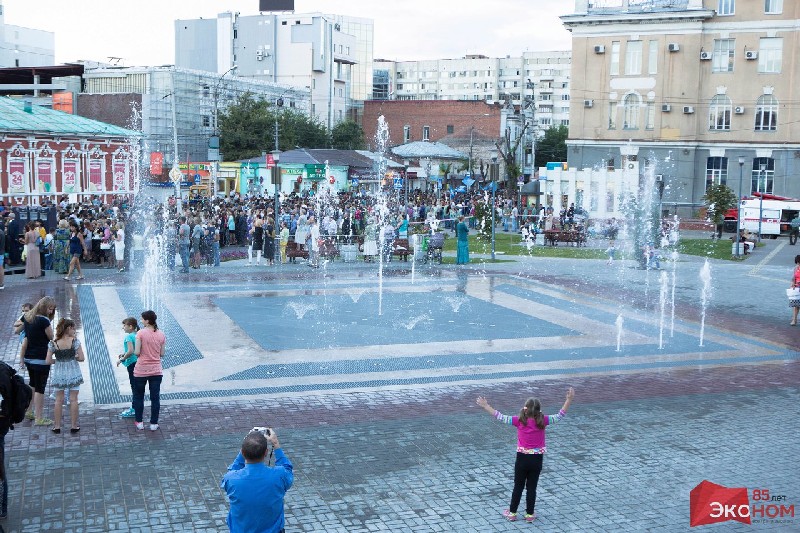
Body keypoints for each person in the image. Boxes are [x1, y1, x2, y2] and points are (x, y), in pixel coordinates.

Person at [476, 387, 575, 523]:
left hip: (522, 459)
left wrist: (486, 406)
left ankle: (512, 513)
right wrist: (569, 399)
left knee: (518, 486)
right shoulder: (544, 420)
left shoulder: (519, 421)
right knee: (532, 488)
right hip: (537, 460)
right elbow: (560, 415)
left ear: (525, 409)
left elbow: (499, 416)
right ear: (539, 410)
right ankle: (529, 515)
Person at [221, 428, 293, 533]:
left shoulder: (231, 479)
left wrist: (247, 444)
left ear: (242, 452)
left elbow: (232, 469)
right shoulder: (280, 475)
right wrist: (276, 444)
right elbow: (287, 468)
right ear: (266, 453)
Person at [18, 297, 57, 426]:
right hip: (41, 358)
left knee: (33, 384)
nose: (51, 311)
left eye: (52, 309)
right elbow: (51, 337)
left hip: (29, 357)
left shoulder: (28, 316)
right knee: (40, 388)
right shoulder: (44, 320)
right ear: (43, 306)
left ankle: (29, 411)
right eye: (49, 308)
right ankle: (39, 417)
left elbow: (17, 328)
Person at [45, 318, 84, 434]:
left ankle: (57, 426)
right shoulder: (75, 341)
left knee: (58, 400)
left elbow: (47, 361)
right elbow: (81, 358)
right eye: (73, 328)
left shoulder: (53, 343)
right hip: (74, 373)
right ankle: (73, 426)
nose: (74, 330)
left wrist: (57, 361)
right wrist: (74, 358)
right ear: (68, 328)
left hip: (59, 374)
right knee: (73, 400)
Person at [132, 310, 166, 431]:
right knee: (155, 398)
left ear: (147, 321)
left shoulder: (140, 333)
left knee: (139, 397)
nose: (141, 321)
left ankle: (139, 422)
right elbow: (162, 354)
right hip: (156, 371)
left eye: (142, 319)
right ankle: (153, 424)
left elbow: (136, 352)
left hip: (141, 370)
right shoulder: (161, 334)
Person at [116, 317, 139, 418]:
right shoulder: (138, 335)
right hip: (138, 363)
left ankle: (134, 409)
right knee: (138, 387)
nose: (123, 328)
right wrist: (123, 354)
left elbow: (130, 351)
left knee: (134, 387)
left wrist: (121, 359)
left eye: (124, 325)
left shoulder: (129, 337)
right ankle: (137, 407)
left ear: (130, 326)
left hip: (131, 364)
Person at [790, 255, 800, 326]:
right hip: (797, 288)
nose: (798, 264)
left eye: (799, 262)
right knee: (795, 305)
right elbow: (793, 278)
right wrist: (792, 284)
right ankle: (794, 319)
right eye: (797, 263)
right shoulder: (796, 268)